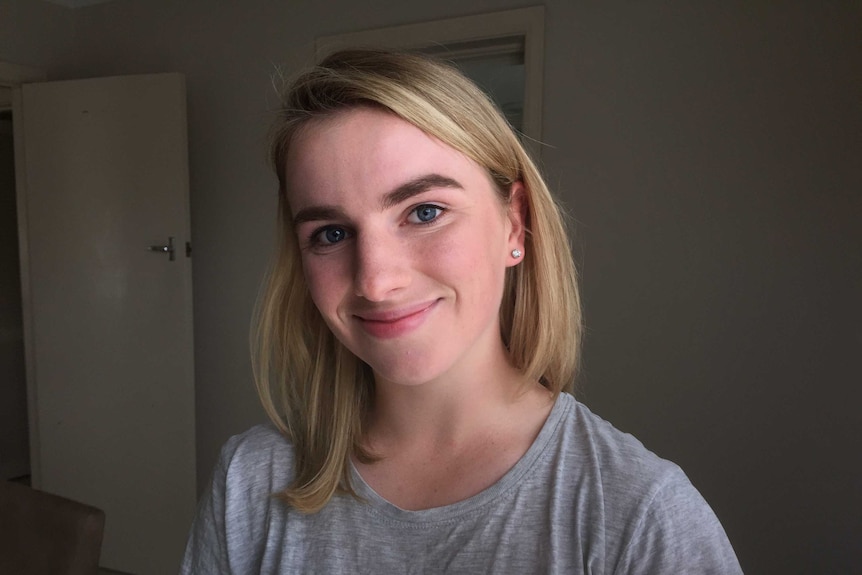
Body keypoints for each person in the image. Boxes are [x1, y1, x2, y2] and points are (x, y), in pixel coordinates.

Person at [181, 49, 742, 574]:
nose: (376, 281)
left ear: (514, 224)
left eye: (424, 211)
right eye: (331, 232)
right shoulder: (251, 483)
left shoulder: (641, 518)